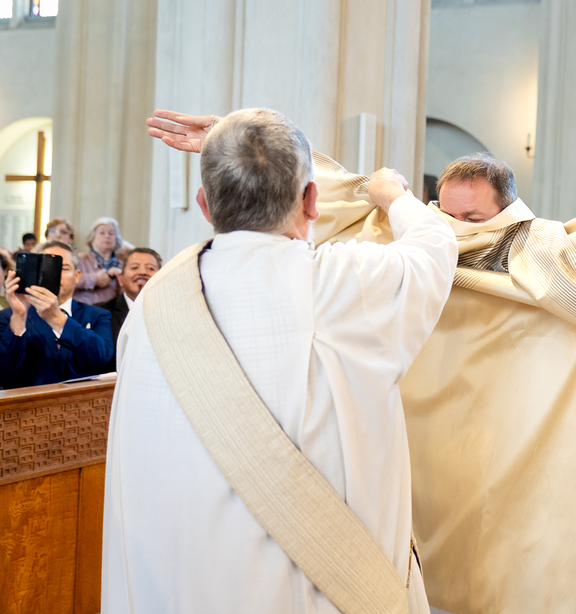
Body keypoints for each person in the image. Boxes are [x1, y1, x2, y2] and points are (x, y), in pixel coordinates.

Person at [147, 108, 576, 612]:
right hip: (429, 486)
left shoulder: (541, 254)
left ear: (510, 213)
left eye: (471, 220)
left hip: (530, 494)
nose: (453, 233)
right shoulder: (411, 247)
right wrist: (230, 144)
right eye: (444, 215)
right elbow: (343, 194)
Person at [103, 109, 458, 613]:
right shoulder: (335, 284)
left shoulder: (154, 300)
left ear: (204, 204)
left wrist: (231, 145)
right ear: (312, 200)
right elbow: (434, 247)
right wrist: (393, 195)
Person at [0, 241, 114, 389]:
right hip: (32, 401)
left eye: (64, 268)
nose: (55, 274)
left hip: (83, 400)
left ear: (77, 276)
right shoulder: (9, 317)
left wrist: (57, 319)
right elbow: (5, 375)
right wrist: (19, 316)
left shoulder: (97, 315)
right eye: (48, 267)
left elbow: (103, 357)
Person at [96, 247, 162, 349]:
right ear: (120, 279)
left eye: (150, 268)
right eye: (135, 267)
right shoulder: (101, 312)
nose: (142, 272)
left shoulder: (171, 313)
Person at [75, 217, 130, 305]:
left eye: (111, 233)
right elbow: (68, 281)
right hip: (84, 309)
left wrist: (122, 278)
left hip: (113, 311)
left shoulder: (123, 264)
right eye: (101, 233)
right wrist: (95, 279)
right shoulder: (80, 259)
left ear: (117, 239)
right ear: (92, 238)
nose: (107, 236)